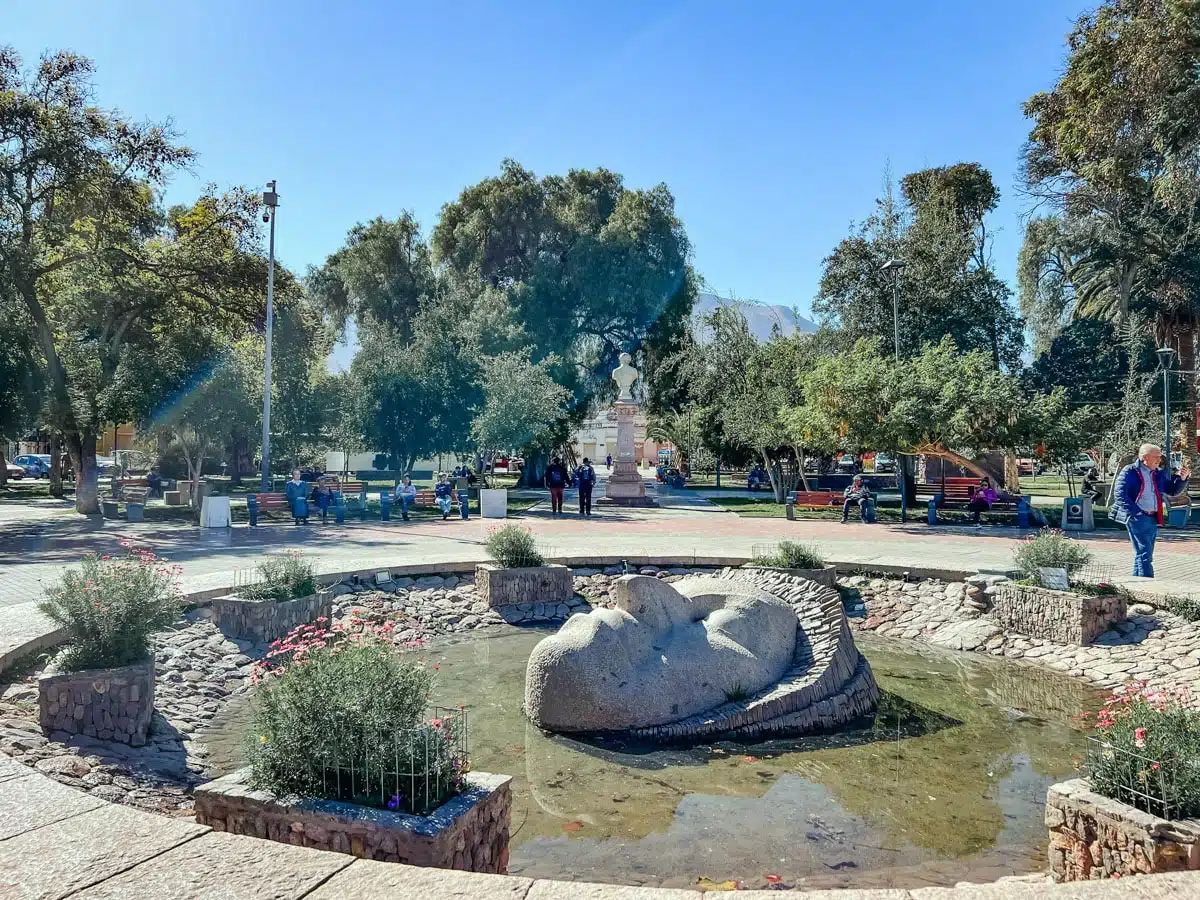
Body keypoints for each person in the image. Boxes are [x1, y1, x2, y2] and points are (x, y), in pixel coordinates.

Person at [1112, 443, 1190, 578]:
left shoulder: (1158, 473)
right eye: (1156, 457)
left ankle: (1138, 583)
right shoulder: (1130, 471)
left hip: (1153, 517)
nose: (1159, 460)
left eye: (1160, 457)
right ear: (1145, 457)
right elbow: (1119, 494)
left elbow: (1172, 490)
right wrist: (1136, 513)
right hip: (1138, 517)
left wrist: (1182, 479)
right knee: (1144, 553)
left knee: (1143, 554)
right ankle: (1148, 583)